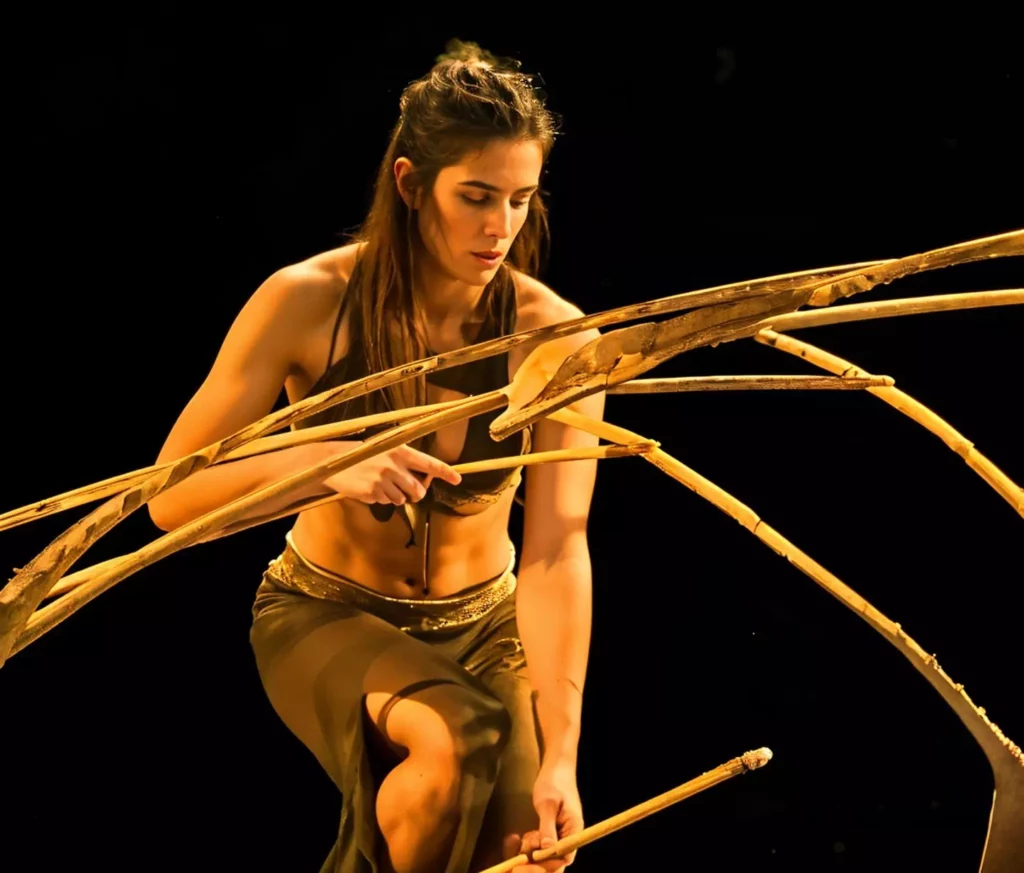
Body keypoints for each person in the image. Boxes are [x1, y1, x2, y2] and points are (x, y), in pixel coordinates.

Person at [148, 40, 604, 873]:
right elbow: (169, 499)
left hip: (486, 627)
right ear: (408, 183)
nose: (499, 227)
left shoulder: (556, 339)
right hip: (326, 610)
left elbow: (555, 551)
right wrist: (321, 460)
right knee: (456, 736)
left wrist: (562, 753)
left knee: (527, 848)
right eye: (475, 197)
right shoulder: (306, 302)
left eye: (519, 200)